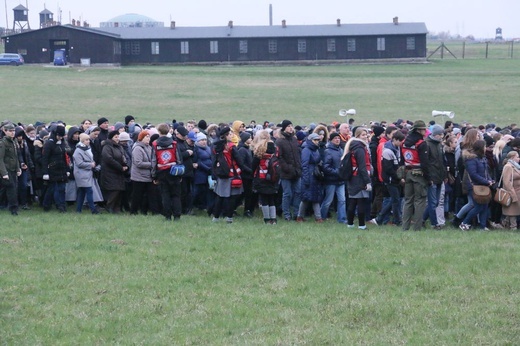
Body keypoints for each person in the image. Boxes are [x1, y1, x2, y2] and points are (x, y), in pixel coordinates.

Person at [369, 130, 405, 226]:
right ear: (395, 139)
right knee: (395, 200)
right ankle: (381, 218)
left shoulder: (396, 148)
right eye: (400, 141)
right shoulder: (388, 151)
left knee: (395, 200)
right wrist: (399, 178)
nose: (402, 143)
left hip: (394, 179)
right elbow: (389, 169)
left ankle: (394, 220)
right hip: (390, 180)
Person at [211, 126, 244, 223]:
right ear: (225, 136)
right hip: (231, 174)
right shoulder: (231, 146)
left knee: (220, 196)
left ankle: (215, 217)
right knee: (231, 197)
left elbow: (213, 161)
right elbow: (239, 160)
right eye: (230, 134)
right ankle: (229, 217)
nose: (232, 135)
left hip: (221, 174)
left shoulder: (216, 146)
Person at [459, 140, 494, 231]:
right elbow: (473, 174)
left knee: (485, 206)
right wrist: (486, 181)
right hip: (474, 186)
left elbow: (486, 172)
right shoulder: (471, 159)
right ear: (481, 148)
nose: (486, 148)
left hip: (483, 185)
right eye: (485, 146)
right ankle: (464, 223)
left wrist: (490, 180)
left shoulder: (482, 158)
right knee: (478, 207)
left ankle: (482, 226)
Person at [402, 120, 429, 231]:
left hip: (407, 172)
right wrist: (429, 178)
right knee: (419, 201)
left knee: (408, 201)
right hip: (419, 174)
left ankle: (405, 227)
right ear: (419, 130)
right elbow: (425, 163)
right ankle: (417, 227)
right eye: (423, 129)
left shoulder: (404, 142)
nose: (425, 131)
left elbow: (401, 159)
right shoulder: (421, 144)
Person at [152, 123, 182, 221]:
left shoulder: (155, 144)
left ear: (159, 132)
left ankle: (167, 215)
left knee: (165, 195)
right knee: (176, 195)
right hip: (174, 171)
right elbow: (178, 159)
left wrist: (153, 176)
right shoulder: (174, 143)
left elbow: (153, 161)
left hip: (161, 171)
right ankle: (177, 215)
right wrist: (180, 173)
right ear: (169, 131)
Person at [345, 127, 372, 229]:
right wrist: (367, 182)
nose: (365, 137)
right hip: (359, 178)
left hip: (353, 177)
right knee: (361, 202)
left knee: (353, 201)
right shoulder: (360, 149)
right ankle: (361, 225)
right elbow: (362, 167)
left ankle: (350, 224)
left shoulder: (352, 146)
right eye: (363, 135)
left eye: (366, 135)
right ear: (358, 136)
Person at [275, 120, 302, 221]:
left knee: (298, 192)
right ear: (284, 128)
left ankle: (296, 213)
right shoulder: (279, 141)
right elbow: (279, 157)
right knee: (287, 193)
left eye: (292, 126)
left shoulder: (294, 140)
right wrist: (287, 168)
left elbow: (297, 155)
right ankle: (286, 214)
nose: (291, 128)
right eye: (289, 126)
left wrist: (298, 167)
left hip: (296, 171)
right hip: (286, 172)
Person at [422, 124, 447, 229]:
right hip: (432, 178)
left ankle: (422, 219)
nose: (442, 137)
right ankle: (434, 223)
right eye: (440, 135)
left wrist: (444, 175)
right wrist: (429, 178)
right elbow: (426, 163)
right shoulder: (427, 144)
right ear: (436, 134)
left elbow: (442, 162)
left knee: (436, 202)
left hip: (439, 177)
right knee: (432, 202)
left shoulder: (439, 145)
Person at [42, 125, 70, 212]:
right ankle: (46, 205)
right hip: (52, 169)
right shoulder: (49, 144)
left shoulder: (62, 143)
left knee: (62, 189)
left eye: (62, 136)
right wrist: (45, 172)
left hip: (62, 169)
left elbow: (65, 157)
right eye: (59, 136)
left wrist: (67, 169)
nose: (60, 138)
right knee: (52, 189)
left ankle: (61, 206)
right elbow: (45, 158)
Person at [297, 133, 324, 222]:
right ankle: (302, 216)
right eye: (315, 140)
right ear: (310, 140)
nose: (317, 142)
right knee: (306, 197)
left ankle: (316, 217)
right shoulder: (306, 150)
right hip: (309, 175)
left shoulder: (315, 149)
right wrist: (306, 178)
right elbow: (304, 165)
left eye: (318, 140)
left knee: (314, 197)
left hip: (315, 176)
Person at [100, 130, 129, 214]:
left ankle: (116, 208)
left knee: (119, 190)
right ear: (111, 138)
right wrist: (120, 167)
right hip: (110, 172)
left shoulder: (119, 147)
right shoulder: (107, 147)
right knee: (114, 190)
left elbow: (123, 157)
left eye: (118, 137)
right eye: (115, 137)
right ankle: (109, 206)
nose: (117, 138)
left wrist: (126, 165)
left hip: (119, 172)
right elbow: (109, 159)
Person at [320, 132, 346, 223]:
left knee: (342, 200)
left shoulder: (341, 150)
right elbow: (326, 167)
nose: (337, 140)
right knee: (328, 201)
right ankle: (321, 216)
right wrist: (337, 172)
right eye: (335, 138)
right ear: (331, 140)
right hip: (331, 180)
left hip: (340, 180)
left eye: (338, 138)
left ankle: (342, 219)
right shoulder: (328, 151)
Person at [252, 138, 279, 224]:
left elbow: (253, 167)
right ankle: (273, 219)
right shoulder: (274, 157)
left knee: (264, 200)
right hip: (273, 179)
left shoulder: (259, 156)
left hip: (261, 179)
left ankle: (267, 219)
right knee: (271, 200)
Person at [130, 130, 155, 215]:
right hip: (138, 176)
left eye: (149, 137)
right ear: (141, 138)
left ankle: (144, 211)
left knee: (146, 195)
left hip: (147, 176)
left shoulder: (149, 147)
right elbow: (138, 163)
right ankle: (133, 211)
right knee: (137, 195)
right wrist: (152, 164)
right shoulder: (137, 148)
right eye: (146, 137)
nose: (148, 139)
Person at [73, 133, 99, 214]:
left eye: (88, 140)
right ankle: (93, 210)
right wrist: (90, 165)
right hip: (81, 174)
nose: (88, 141)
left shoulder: (87, 149)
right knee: (89, 191)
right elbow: (79, 163)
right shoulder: (78, 151)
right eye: (86, 140)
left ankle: (78, 210)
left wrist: (92, 163)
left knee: (82, 192)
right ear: (82, 141)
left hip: (86, 173)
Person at [0, 123, 21, 215]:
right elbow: (0, 159)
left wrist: (18, 168)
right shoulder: (2, 143)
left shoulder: (14, 141)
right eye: (10, 131)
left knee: (7, 189)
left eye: (13, 131)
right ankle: (13, 209)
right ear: (5, 131)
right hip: (6, 169)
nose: (13, 133)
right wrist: (4, 173)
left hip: (13, 169)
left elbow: (15, 157)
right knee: (11, 189)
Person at [237, 131, 255, 217]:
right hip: (245, 176)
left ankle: (247, 210)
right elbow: (241, 164)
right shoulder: (242, 150)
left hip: (249, 176)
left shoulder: (248, 149)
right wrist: (250, 170)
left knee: (249, 194)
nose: (251, 139)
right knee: (243, 194)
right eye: (249, 138)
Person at [501, 151, 520, 230]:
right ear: (512, 157)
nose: (519, 158)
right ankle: (513, 226)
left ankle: (506, 223)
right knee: (512, 211)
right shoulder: (508, 167)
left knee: (514, 210)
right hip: (512, 191)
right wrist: (512, 193)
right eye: (517, 157)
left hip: (517, 191)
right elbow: (506, 182)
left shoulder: (515, 166)